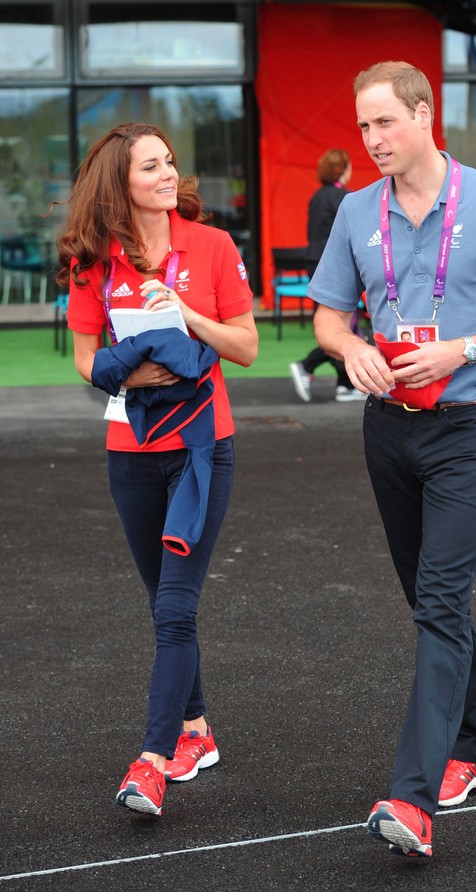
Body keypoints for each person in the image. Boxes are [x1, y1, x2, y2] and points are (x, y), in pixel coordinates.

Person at [311, 61, 476, 857]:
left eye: (384, 122)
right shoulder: (356, 211)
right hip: (386, 429)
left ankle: (413, 798)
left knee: (442, 601)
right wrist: (349, 346)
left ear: (424, 115)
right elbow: (326, 317)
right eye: (362, 127)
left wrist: (464, 348)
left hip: (467, 428)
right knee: (433, 599)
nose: (372, 139)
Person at [56, 122, 258, 817]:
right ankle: (197, 730)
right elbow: (85, 358)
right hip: (130, 453)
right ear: (122, 182)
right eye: (152, 166)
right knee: (163, 602)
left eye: (171, 161)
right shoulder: (94, 261)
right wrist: (135, 371)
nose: (169, 174)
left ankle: (150, 761)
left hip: (202, 448)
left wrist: (187, 317)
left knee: (176, 606)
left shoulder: (213, 246)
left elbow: (248, 346)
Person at [289, 148, 366, 403]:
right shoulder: (344, 198)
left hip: (315, 263)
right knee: (342, 326)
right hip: (334, 267)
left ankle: (345, 384)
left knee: (337, 323)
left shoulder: (318, 196)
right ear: (343, 169)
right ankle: (307, 366)